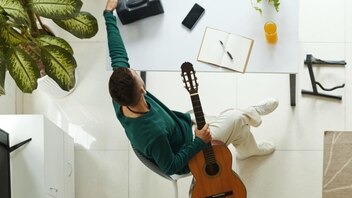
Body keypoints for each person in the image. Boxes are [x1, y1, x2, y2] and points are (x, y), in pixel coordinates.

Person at [104, 0, 276, 177]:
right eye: (136, 74)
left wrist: (108, 14)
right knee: (236, 117)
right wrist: (199, 141)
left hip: (183, 125)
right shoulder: (153, 134)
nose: (135, 71)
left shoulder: (120, 94)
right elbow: (171, 167)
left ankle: (248, 146)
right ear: (141, 90)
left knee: (237, 127)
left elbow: (117, 52)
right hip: (191, 152)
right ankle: (252, 113)